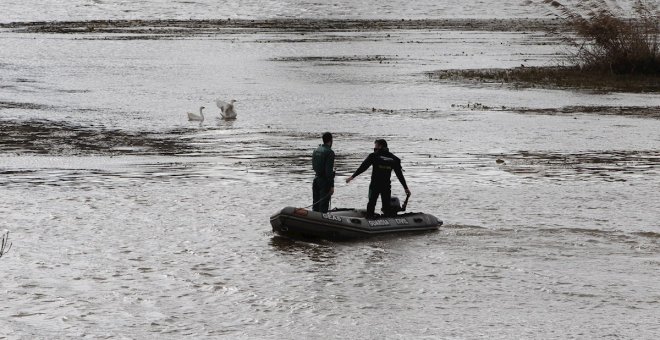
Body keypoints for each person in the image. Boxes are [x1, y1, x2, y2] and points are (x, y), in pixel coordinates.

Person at [345, 139, 411, 218]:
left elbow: (363, 167)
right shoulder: (393, 158)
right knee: (386, 206)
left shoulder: (374, 156)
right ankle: (387, 220)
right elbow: (399, 175)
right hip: (386, 186)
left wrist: (352, 176)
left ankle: (369, 219)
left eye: (375, 146)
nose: (374, 148)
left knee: (371, 203)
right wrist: (405, 188)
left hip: (375, 185)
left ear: (380, 146)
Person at [312, 132, 335, 213]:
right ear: (331, 140)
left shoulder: (316, 150)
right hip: (324, 182)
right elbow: (329, 171)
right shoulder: (330, 152)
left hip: (316, 179)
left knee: (315, 205)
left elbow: (314, 166)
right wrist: (331, 185)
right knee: (323, 206)